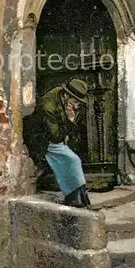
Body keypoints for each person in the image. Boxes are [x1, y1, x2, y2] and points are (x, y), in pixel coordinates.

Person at [40, 78, 92, 209]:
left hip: (58, 138)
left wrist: (69, 125)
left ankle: (77, 194)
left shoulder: (65, 100)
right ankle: (75, 196)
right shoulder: (49, 105)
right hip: (43, 142)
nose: (78, 105)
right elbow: (55, 136)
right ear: (67, 95)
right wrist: (70, 119)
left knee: (75, 157)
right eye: (75, 101)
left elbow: (67, 133)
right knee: (73, 159)